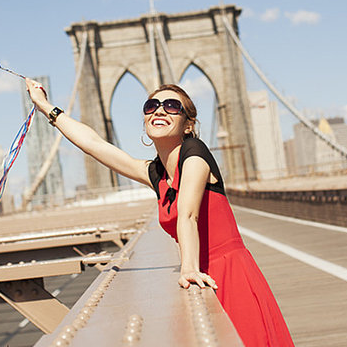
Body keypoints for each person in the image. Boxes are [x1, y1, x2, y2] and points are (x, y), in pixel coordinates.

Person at [25, 78, 294, 346]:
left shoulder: (195, 154)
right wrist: (45, 105)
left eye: (172, 106)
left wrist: (188, 268)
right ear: (145, 120)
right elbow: (95, 145)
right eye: (152, 105)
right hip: (204, 273)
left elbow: (188, 215)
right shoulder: (158, 174)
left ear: (188, 124)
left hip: (230, 274)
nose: (160, 110)